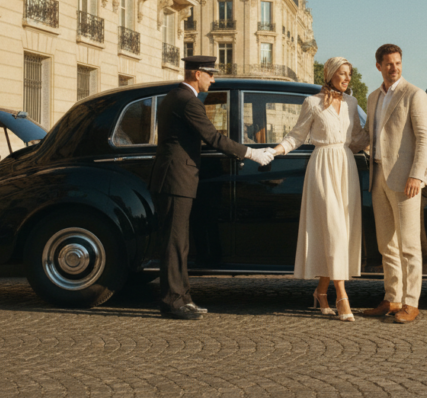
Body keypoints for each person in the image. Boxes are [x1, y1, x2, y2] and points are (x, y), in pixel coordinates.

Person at [149, 56, 275, 320]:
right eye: (210, 74)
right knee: (174, 242)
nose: (213, 79)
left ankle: (183, 298)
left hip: (178, 177)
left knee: (181, 242)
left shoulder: (178, 96)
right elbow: (213, 137)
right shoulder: (187, 100)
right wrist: (251, 153)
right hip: (176, 178)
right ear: (197, 74)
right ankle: (172, 301)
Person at [269, 57, 369, 322]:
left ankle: (321, 291)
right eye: (342, 73)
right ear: (330, 75)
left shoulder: (352, 103)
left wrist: (385, 139)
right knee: (334, 228)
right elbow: (297, 136)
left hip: (345, 167)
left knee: (339, 232)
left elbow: (358, 139)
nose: (347, 78)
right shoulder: (312, 103)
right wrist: (274, 151)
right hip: (323, 166)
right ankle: (342, 296)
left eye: (349, 74)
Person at [362, 44, 427, 324]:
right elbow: (367, 135)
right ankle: (392, 297)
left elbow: (426, 138)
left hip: (405, 178)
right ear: (378, 66)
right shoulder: (372, 98)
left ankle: (411, 302)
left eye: (398, 63)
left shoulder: (415, 95)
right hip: (378, 175)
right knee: (386, 245)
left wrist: (417, 174)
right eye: (389, 63)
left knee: (409, 244)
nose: (394, 67)